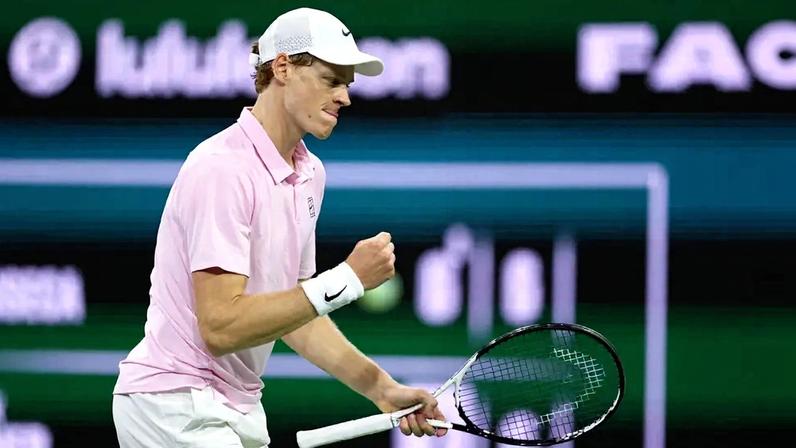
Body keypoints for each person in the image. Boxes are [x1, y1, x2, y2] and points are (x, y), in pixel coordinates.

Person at [111, 7, 446, 448]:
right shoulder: (223, 169)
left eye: (348, 84)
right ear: (283, 67)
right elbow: (221, 327)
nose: (345, 97)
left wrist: (382, 389)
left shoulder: (310, 174)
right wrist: (346, 279)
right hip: (176, 405)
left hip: (236, 407)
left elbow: (297, 316)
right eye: (331, 79)